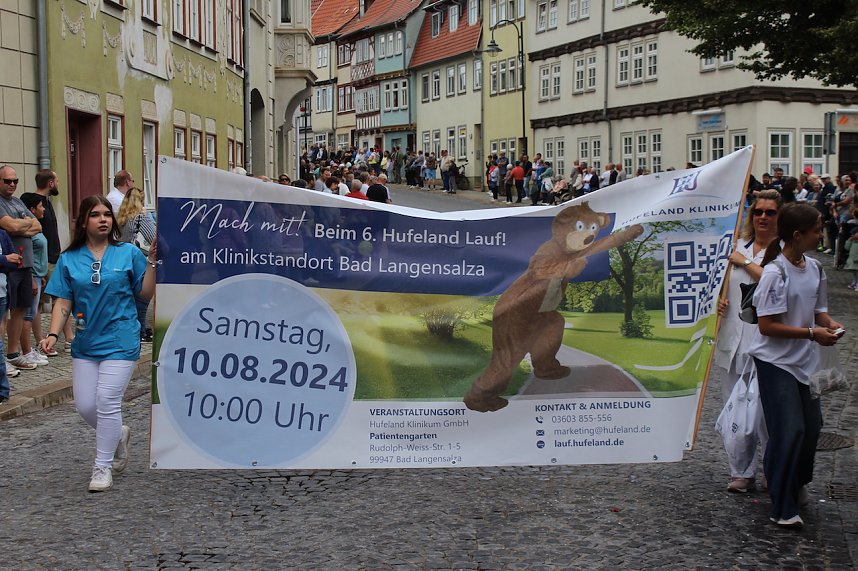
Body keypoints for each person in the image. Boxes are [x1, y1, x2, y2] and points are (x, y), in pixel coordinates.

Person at [40, 195, 157, 492]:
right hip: (86, 341)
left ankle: (102, 466)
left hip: (121, 338)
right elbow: (64, 301)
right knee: (85, 405)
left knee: (106, 400)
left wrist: (153, 261)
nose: (103, 219)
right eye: (96, 215)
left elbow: (144, 294)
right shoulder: (69, 259)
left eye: (107, 214)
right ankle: (118, 433)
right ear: (84, 221)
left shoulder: (128, 253)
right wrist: (53, 333)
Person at [748, 203, 844, 527]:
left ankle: (796, 482)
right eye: (817, 230)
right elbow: (766, 326)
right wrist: (812, 334)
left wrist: (830, 325)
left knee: (812, 430)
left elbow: (818, 311)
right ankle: (782, 505)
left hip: (805, 362)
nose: (821, 234)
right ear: (798, 235)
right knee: (790, 430)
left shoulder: (815, 268)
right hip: (774, 362)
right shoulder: (775, 274)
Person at [715, 190, 782, 493]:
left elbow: (771, 280)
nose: (763, 218)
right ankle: (741, 470)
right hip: (734, 339)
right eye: (758, 212)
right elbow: (721, 287)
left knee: (768, 412)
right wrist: (719, 302)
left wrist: (742, 262)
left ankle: (773, 469)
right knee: (736, 408)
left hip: (768, 343)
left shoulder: (783, 253)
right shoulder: (736, 248)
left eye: (770, 213)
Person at [0, 165, 42, 372]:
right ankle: (1, 359)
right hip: (8, 266)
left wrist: (21, 225)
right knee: (4, 311)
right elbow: (12, 227)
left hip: (25, 264)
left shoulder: (17, 201)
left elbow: (38, 226)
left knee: (21, 308)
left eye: (15, 181)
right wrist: (24, 224)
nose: (12, 184)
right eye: (7, 181)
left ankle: (13, 353)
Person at [117, 187, 157, 342]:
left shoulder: (120, 218)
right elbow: (153, 237)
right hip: (139, 259)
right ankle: (141, 330)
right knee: (143, 297)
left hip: (122, 259)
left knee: (130, 296)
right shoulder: (141, 218)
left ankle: (135, 327)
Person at [18, 193, 51, 366]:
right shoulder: (29, 231)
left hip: (39, 275)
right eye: (40, 206)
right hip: (32, 276)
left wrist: (42, 275)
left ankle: (31, 349)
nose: (43, 208)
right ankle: (26, 351)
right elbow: (26, 254)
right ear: (32, 209)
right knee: (27, 315)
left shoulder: (36, 227)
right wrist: (31, 277)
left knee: (33, 312)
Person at [0, 229, 22, 403]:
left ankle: (3, 390)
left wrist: (7, 260)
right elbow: (8, 260)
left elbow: (15, 262)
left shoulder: (2, 234)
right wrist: (4, 259)